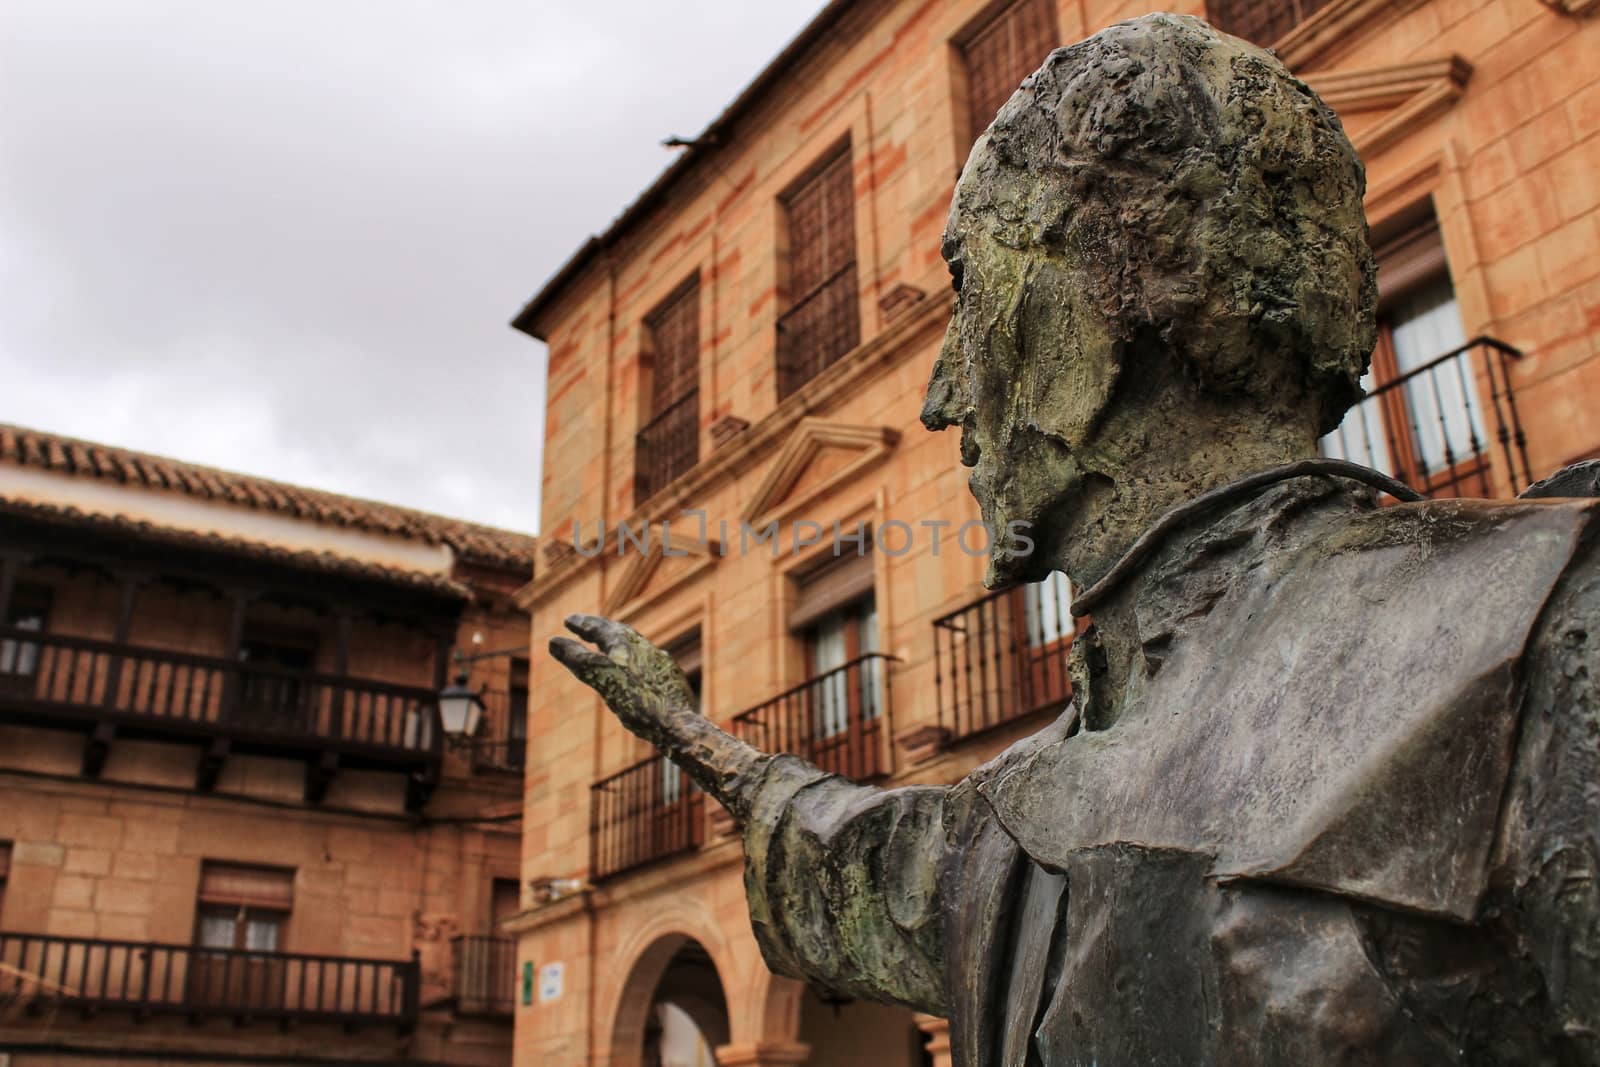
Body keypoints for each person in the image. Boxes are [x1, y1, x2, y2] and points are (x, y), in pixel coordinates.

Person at [552, 14, 1600, 1065]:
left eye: (973, 296)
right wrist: (690, 734)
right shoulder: (1022, 816)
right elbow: (872, 860)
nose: (940, 393)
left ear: (1118, 287)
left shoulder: (1554, 633)